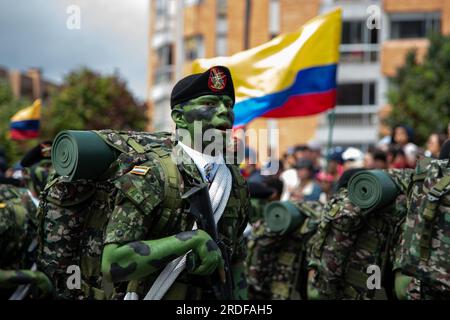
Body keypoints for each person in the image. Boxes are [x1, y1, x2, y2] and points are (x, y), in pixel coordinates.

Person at [39, 66, 250, 300]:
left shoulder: (233, 181)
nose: (225, 112)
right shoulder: (153, 173)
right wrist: (191, 240)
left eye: (228, 105)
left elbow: (236, 258)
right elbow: (114, 262)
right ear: (179, 117)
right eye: (209, 104)